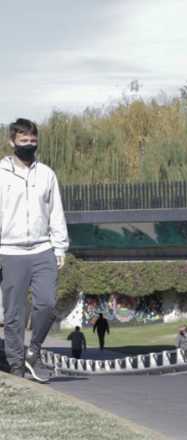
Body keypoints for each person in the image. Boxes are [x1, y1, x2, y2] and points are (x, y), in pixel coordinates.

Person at [1, 118, 69, 383]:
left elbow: (56, 212)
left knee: (47, 304)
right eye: (23, 140)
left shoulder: (46, 174)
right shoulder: (1, 173)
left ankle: (34, 351)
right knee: (14, 315)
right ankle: (16, 365)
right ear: (12, 142)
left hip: (43, 249)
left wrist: (60, 246)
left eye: (33, 140)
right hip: (9, 252)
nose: (29, 145)